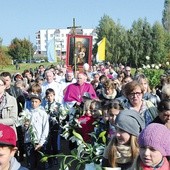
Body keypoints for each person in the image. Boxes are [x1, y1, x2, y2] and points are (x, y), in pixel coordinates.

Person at [23, 94, 49, 170]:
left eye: (36, 101)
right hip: (29, 141)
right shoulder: (26, 112)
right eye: (32, 101)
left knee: (40, 164)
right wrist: (25, 126)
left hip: (39, 142)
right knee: (30, 163)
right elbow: (23, 129)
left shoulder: (43, 113)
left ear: (40, 102)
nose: (33, 103)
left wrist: (41, 142)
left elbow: (45, 129)